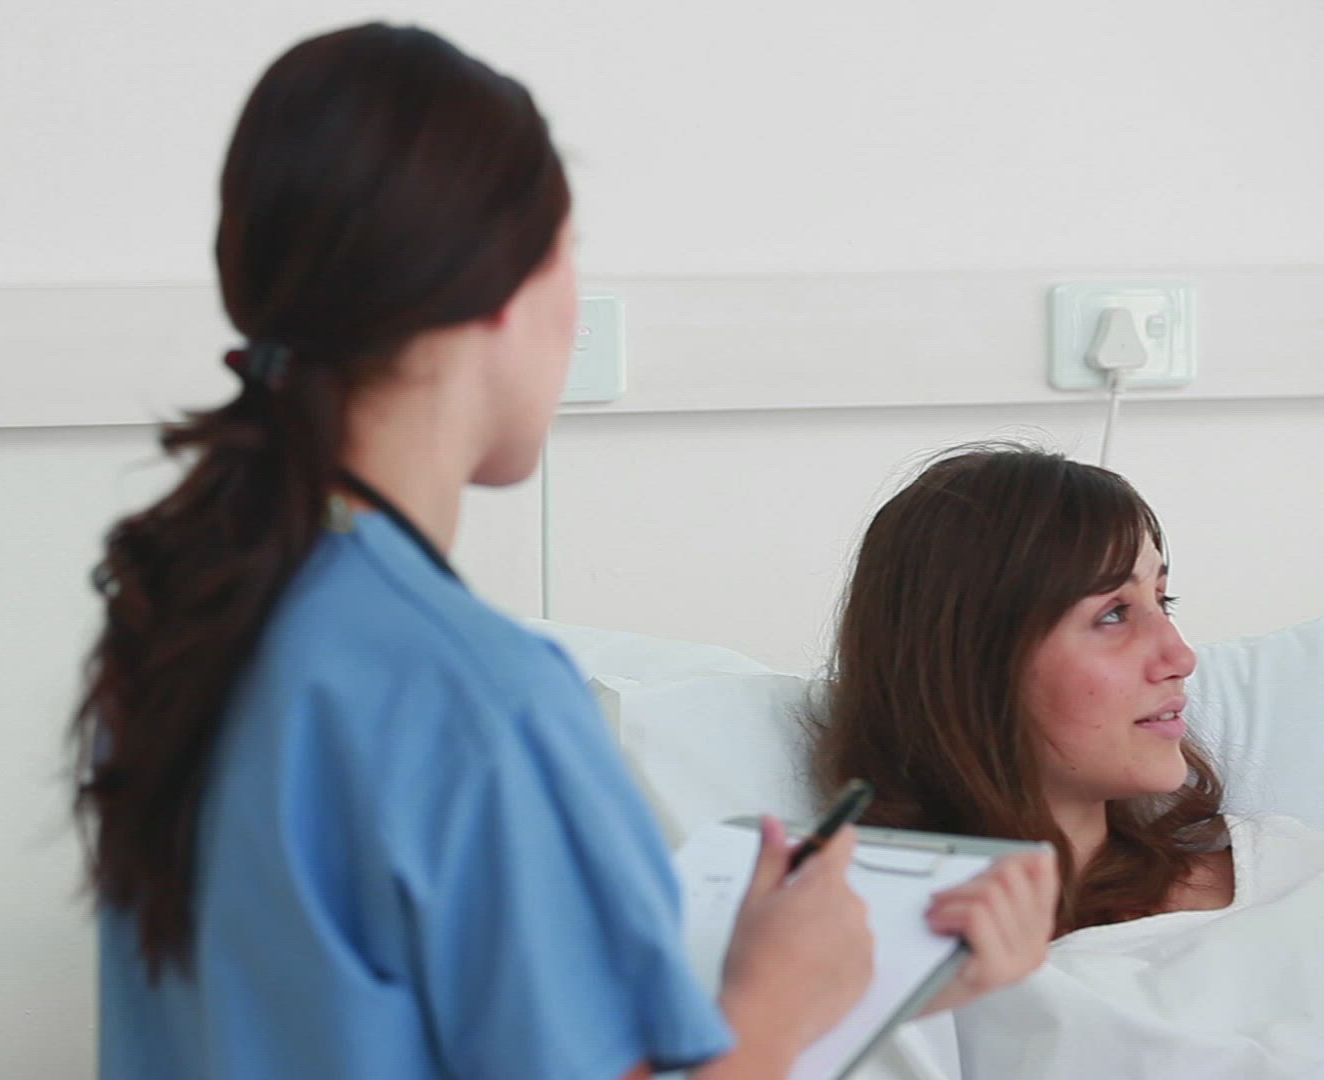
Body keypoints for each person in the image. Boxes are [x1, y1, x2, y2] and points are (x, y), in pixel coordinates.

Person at [68, 24, 1055, 1080]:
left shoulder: (184, 626)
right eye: (568, 257)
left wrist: (845, 987)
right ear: (495, 289)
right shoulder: (479, 702)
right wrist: (774, 1004)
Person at [807, 442, 1324, 1080]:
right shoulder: (883, 965)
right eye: (1112, 615)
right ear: (968, 667)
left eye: (1164, 600)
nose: (1180, 656)